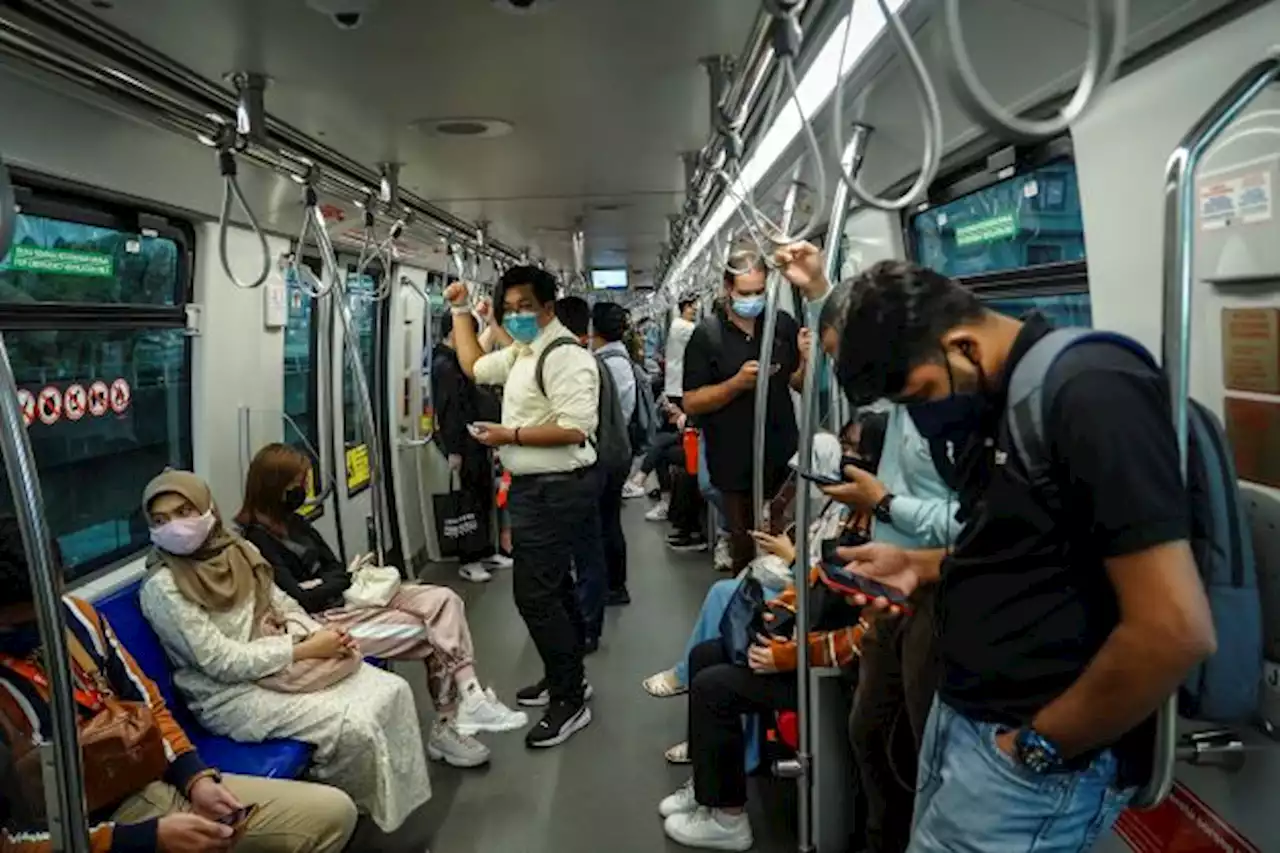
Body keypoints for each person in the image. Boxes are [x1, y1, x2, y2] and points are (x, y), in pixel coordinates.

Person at [829, 258, 1216, 851]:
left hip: (1031, 763)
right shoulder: (997, 411)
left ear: (963, 345)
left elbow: (1172, 629)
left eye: (921, 395)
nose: (922, 417)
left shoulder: (1091, 392)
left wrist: (1036, 747)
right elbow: (1034, 553)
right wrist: (921, 565)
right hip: (970, 728)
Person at [0, 515, 358, 853]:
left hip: (151, 774)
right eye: (24, 626)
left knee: (333, 814)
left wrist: (195, 778)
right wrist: (145, 839)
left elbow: (146, 702)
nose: (45, 630)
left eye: (51, 606)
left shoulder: (78, 617)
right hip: (92, 830)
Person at [775, 247, 963, 853]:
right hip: (892, 588)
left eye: (838, 354)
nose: (837, 369)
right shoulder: (903, 396)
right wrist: (818, 290)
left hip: (936, 595)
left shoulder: (952, 408)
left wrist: (883, 504)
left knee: (915, 746)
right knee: (870, 731)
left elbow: (974, 525)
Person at [137, 471, 432, 833]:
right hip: (228, 694)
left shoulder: (239, 551)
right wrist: (304, 650)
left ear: (206, 508)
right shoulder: (163, 587)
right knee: (356, 724)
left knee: (392, 690)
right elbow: (219, 662)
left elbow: (284, 603)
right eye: (161, 521)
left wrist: (323, 636)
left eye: (185, 511)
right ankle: (338, 819)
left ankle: (380, 809)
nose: (176, 527)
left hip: (283, 657)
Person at [236, 443, 527, 766]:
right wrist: (331, 581)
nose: (304, 491)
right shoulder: (256, 540)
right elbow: (302, 598)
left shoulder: (295, 522)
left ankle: (471, 694)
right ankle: (447, 728)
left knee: (446, 600)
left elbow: (334, 570)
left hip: (350, 599)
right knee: (434, 633)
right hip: (323, 622)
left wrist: (327, 582)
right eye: (297, 485)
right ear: (274, 487)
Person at [445, 267, 598, 748]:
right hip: (538, 488)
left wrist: (507, 435)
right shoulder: (524, 351)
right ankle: (568, 677)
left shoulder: (565, 355)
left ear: (549, 307)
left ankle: (569, 701)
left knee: (535, 596)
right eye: (508, 308)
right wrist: (459, 308)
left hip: (556, 488)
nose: (516, 316)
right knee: (556, 589)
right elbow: (472, 365)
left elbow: (576, 427)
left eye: (524, 306)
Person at [682, 249, 808, 574]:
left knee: (785, 541)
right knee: (745, 545)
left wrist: (807, 361)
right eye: (745, 293)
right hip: (733, 458)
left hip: (782, 452)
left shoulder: (781, 325)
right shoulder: (706, 336)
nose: (753, 299)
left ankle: (782, 614)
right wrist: (735, 384)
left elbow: (798, 384)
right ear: (728, 289)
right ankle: (748, 613)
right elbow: (692, 402)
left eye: (759, 292)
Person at [431, 310, 510, 583]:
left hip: (476, 438)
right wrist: (453, 449)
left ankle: (486, 550)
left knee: (483, 495)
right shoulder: (444, 364)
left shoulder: (455, 359)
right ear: (454, 333)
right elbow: (448, 411)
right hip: (462, 444)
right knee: (469, 500)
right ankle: (469, 559)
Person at [552, 295, 610, 652]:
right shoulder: (582, 361)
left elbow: (579, 429)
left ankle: (586, 626)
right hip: (587, 469)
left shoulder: (575, 365)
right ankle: (582, 623)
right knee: (585, 552)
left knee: (586, 555)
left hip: (583, 470)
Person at [624, 295, 699, 500]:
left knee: (663, 441)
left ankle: (644, 482)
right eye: (693, 307)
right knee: (664, 441)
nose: (696, 311)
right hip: (678, 391)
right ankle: (656, 491)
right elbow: (702, 335)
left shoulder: (678, 326)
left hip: (678, 390)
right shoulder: (681, 326)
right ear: (683, 308)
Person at [590, 301, 636, 607]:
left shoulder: (607, 363)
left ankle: (614, 586)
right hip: (617, 449)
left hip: (607, 451)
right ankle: (611, 583)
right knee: (608, 520)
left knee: (606, 521)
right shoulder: (619, 359)